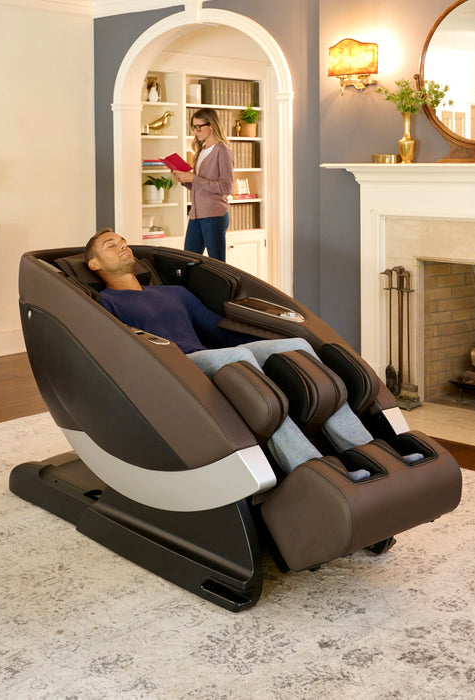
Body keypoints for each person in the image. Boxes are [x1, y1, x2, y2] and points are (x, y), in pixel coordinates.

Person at [84, 229, 373, 472]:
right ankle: (310, 467)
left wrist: (273, 330)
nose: (122, 244)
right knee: (239, 358)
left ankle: (363, 450)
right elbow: (121, 351)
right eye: (111, 245)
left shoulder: (174, 292)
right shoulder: (107, 305)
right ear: (95, 265)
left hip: (209, 357)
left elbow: (218, 331)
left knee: (297, 346)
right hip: (173, 366)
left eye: (123, 240)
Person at [173, 108, 233, 262]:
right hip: (196, 216)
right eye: (194, 127)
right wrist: (185, 180)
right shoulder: (201, 151)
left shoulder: (222, 150)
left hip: (214, 216)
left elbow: (225, 188)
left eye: (199, 126)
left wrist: (194, 178)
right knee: (188, 262)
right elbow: (200, 186)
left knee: (218, 265)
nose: (196, 131)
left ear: (211, 126)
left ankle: (220, 287)